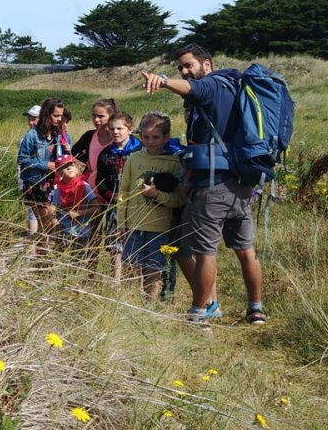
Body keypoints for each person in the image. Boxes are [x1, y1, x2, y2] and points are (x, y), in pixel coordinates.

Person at [142, 43, 266, 325]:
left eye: (189, 66)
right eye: (180, 69)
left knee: (200, 251)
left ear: (206, 64)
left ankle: (201, 311)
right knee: (246, 251)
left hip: (212, 188)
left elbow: (194, 90)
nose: (185, 72)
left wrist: (163, 81)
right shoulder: (234, 86)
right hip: (241, 185)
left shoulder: (210, 85)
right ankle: (256, 308)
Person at [117, 111, 185, 300]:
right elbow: (123, 193)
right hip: (133, 225)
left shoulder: (173, 163)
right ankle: (129, 304)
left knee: (154, 269)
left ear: (166, 137)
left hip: (159, 227)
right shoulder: (134, 159)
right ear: (140, 136)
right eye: (146, 137)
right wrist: (121, 222)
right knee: (129, 266)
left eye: (156, 137)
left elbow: (179, 199)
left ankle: (150, 303)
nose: (151, 141)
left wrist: (157, 195)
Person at [96, 112, 142, 281]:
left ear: (129, 130)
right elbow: (100, 181)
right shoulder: (106, 154)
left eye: (120, 128)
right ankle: (116, 281)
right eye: (112, 129)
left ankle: (135, 280)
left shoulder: (141, 150)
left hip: (137, 204)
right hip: (114, 204)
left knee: (135, 241)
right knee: (115, 244)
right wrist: (111, 196)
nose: (115, 132)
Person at [72, 99, 119, 263]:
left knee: (115, 234)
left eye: (101, 116)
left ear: (111, 116)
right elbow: (75, 155)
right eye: (94, 116)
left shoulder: (119, 137)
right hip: (92, 191)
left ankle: (117, 276)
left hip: (114, 191)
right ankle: (90, 271)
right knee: (93, 232)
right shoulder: (89, 136)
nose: (96, 120)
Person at [17, 97, 65, 253]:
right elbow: (22, 159)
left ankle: (41, 257)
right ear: (46, 114)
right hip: (34, 183)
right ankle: (42, 258)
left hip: (52, 183)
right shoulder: (32, 135)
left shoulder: (57, 134)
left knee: (51, 222)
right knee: (47, 223)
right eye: (56, 115)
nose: (59, 119)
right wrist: (46, 165)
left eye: (60, 116)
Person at [50, 154, 99, 253]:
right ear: (59, 173)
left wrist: (78, 213)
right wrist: (55, 225)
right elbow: (54, 209)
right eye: (64, 167)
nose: (69, 168)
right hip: (63, 231)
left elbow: (97, 208)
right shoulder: (57, 190)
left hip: (81, 232)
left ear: (76, 169)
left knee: (77, 260)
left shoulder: (84, 186)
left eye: (71, 165)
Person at [18, 105, 41, 235]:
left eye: (34, 119)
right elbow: (21, 160)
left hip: (38, 179)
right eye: (29, 119)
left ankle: (33, 239)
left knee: (36, 210)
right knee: (31, 209)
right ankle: (33, 237)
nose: (31, 122)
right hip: (26, 178)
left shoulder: (44, 137)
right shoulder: (26, 136)